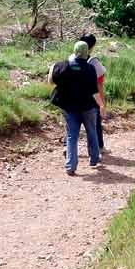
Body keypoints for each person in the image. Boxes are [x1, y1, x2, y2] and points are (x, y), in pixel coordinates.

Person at [49, 40, 101, 175]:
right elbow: (95, 91)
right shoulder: (90, 68)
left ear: (74, 51)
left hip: (70, 108)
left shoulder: (63, 66)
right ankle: (94, 159)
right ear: (87, 52)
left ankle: (70, 166)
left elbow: (50, 81)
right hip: (88, 107)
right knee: (92, 131)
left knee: (72, 136)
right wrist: (101, 105)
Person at [81, 32, 108, 155]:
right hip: (92, 98)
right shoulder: (94, 62)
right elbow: (99, 84)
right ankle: (99, 147)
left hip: (72, 97)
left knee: (72, 125)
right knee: (95, 124)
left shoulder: (70, 59)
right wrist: (102, 103)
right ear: (93, 46)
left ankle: (67, 146)